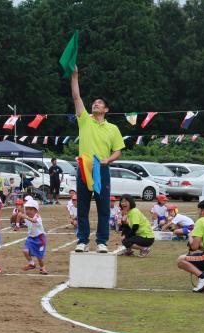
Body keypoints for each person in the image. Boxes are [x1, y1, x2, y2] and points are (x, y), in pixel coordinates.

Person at [71, 65, 125, 253]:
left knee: (103, 208)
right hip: (84, 168)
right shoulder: (84, 119)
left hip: (101, 168)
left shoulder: (113, 129)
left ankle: (101, 241)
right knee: (82, 207)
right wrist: (75, 76)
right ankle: (83, 241)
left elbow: (118, 150)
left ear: (106, 109)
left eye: (100, 103)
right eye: (94, 102)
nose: (96, 104)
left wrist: (107, 160)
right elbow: (76, 97)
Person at [20, 199, 48, 275]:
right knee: (25, 251)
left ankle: (42, 267)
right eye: (27, 209)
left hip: (40, 238)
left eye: (31, 209)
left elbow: (34, 221)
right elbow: (21, 212)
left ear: (36, 210)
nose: (28, 211)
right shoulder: (27, 216)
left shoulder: (37, 217)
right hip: (31, 238)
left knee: (39, 256)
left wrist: (25, 217)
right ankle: (31, 264)